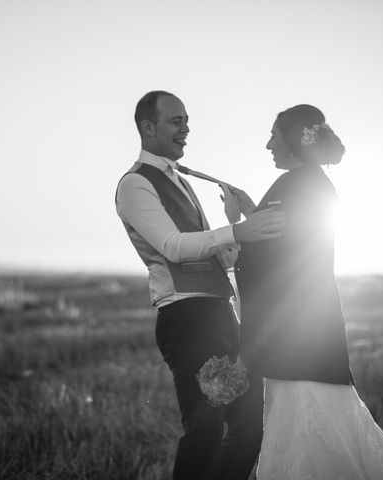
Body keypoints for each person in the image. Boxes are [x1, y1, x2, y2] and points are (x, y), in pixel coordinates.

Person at [222, 104, 383, 479]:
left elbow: (280, 259)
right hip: (305, 333)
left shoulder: (300, 184)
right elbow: (288, 243)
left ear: (295, 141)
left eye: (274, 136)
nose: (268, 145)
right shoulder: (310, 182)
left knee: (311, 434)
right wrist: (252, 213)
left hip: (296, 338)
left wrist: (234, 226)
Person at [115, 90, 285, 480]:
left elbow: (217, 258)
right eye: (176, 121)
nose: (186, 129)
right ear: (148, 126)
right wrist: (239, 228)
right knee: (205, 430)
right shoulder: (135, 184)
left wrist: (233, 230)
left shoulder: (182, 180)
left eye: (187, 120)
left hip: (220, 316)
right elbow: (173, 248)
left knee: (250, 428)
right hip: (187, 319)